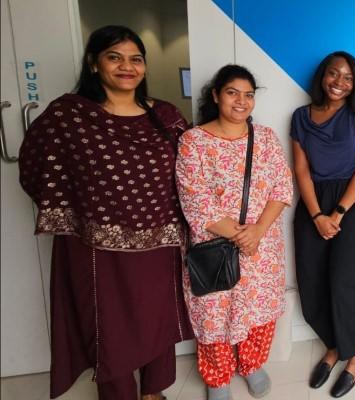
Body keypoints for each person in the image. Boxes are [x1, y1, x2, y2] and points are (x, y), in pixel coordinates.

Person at [18, 25, 193, 400]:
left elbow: (195, 171)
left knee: (157, 316)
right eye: (115, 57)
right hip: (95, 246)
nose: (127, 67)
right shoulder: (69, 116)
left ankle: (154, 392)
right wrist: (74, 210)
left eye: (135, 59)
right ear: (94, 64)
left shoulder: (166, 116)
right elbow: (34, 165)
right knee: (108, 325)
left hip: (159, 242)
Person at [175, 64, 293, 400]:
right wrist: (241, 235)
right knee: (214, 316)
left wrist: (257, 231)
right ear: (215, 95)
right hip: (215, 247)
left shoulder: (266, 139)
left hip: (262, 246)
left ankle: (252, 364)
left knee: (258, 311)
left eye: (248, 95)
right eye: (232, 92)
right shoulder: (193, 141)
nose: (241, 101)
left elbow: (282, 188)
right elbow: (195, 200)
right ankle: (218, 378)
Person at [291, 51, 355, 397]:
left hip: (350, 203)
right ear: (322, 76)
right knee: (311, 282)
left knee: (343, 280)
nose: (339, 83)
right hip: (312, 203)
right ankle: (334, 344)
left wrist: (337, 214)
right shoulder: (300, 117)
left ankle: (354, 354)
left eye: (348, 77)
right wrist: (316, 215)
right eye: (333, 74)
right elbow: (300, 170)